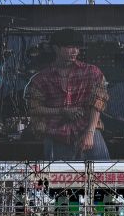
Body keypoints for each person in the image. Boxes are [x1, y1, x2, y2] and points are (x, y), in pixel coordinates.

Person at [27, 29, 110, 160]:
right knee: (59, 176)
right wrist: (62, 111)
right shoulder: (42, 78)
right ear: (56, 48)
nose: (74, 51)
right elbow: (35, 108)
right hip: (56, 134)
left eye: (77, 47)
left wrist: (90, 132)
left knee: (101, 173)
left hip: (87, 130)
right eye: (69, 47)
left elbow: (98, 103)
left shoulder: (92, 72)